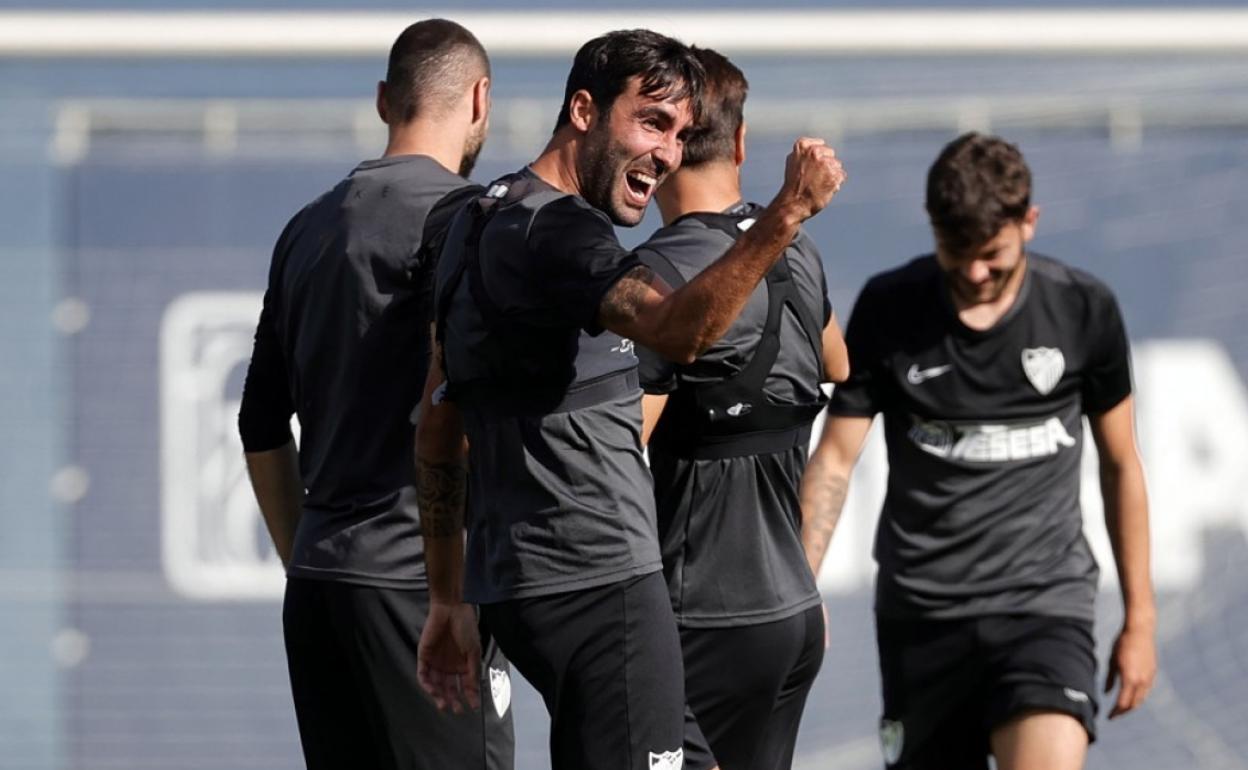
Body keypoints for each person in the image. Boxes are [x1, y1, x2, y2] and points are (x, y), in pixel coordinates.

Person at [413, 28, 846, 770]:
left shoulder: (467, 220)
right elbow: (678, 332)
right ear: (583, 110)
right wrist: (786, 216)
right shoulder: (567, 234)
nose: (669, 154)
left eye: (681, 134)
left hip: (515, 588)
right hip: (602, 587)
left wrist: (449, 597)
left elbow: (437, 424)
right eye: (651, 123)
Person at [799, 132, 1157, 770]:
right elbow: (833, 460)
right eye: (955, 252)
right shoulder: (889, 307)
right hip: (922, 615)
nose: (973, 272)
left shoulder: (1083, 309)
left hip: (1043, 608)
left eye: (992, 254)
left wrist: (1140, 618)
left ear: (1030, 222)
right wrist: (801, 590)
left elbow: (1121, 463)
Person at [237, 19, 514, 770]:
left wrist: (309, 558)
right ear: (481, 100)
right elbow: (461, 416)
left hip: (323, 591)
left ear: (385, 100)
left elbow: (259, 425)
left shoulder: (305, 229)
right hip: (425, 598)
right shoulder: (473, 220)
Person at [633, 46, 849, 770]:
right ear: (741, 142)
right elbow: (841, 368)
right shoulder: (802, 251)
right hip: (790, 615)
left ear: (663, 145)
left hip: (698, 618)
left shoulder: (660, 277)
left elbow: (613, 455)